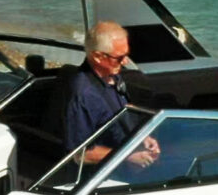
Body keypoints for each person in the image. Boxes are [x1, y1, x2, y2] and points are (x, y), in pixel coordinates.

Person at [63, 20, 159, 168]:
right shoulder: (84, 95)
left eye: (126, 55)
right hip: (102, 176)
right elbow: (79, 154)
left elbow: (123, 109)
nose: (125, 61)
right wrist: (127, 155)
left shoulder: (112, 75)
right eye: (119, 58)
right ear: (97, 57)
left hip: (125, 158)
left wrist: (142, 137)